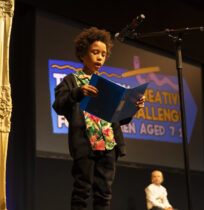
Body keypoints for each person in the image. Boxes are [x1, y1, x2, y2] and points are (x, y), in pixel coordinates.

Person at [52, 27, 145, 210]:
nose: (100, 57)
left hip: (108, 143)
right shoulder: (72, 80)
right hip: (85, 143)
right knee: (82, 191)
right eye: (95, 52)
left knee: (104, 194)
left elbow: (119, 118)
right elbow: (59, 105)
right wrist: (78, 92)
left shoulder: (105, 85)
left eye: (103, 54)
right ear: (83, 53)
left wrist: (132, 108)